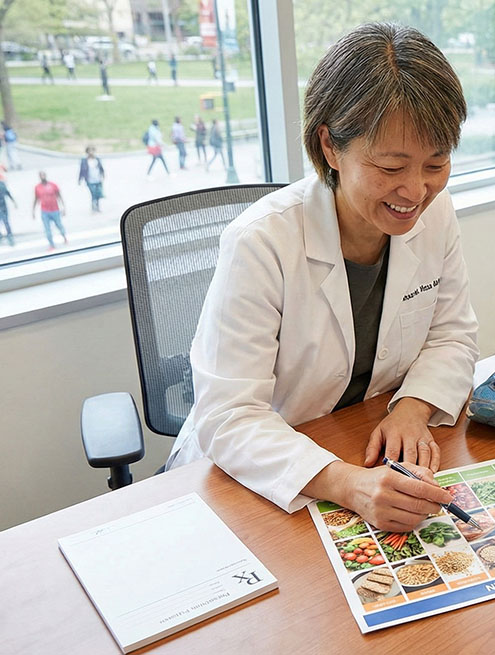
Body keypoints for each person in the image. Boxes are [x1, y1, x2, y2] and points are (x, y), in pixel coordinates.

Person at [164, 23, 478, 532]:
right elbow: (228, 418)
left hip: (358, 442)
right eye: (392, 166)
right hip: (258, 483)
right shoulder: (260, 242)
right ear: (330, 147)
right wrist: (348, 484)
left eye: (436, 164)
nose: (416, 191)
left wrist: (412, 410)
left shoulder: (435, 216)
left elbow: (452, 333)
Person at [32, 171, 68, 250]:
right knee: (47, 229)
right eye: (41, 176)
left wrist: (63, 207)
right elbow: (36, 199)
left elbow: (59, 196)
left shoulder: (53, 185)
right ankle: (51, 244)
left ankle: (64, 236)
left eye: (43, 175)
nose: (42, 177)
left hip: (55, 209)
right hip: (45, 211)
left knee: (59, 225)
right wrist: (33, 211)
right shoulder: (37, 187)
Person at [78, 145, 105, 212]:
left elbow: (101, 168)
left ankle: (97, 207)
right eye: (89, 151)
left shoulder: (97, 159)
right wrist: (80, 179)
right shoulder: (84, 160)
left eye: (92, 150)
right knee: (93, 193)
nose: (91, 152)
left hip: (98, 179)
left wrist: (103, 175)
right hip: (90, 180)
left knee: (98, 194)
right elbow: (81, 170)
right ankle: (93, 207)